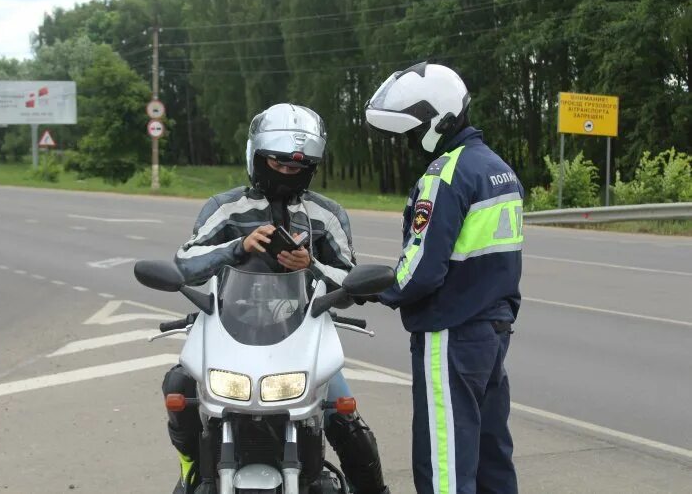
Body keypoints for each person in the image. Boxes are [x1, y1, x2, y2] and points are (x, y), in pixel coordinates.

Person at [163, 103, 390, 494]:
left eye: (297, 167)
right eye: (278, 164)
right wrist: (236, 247)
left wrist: (311, 264)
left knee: (344, 417)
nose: (287, 173)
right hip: (227, 334)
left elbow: (352, 285)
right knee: (179, 388)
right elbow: (185, 263)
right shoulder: (224, 208)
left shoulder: (326, 215)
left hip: (302, 337)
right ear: (256, 157)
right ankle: (192, 466)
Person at [364, 62, 522, 494]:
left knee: (445, 468)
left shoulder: (445, 175)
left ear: (437, 119)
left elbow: (420, 272)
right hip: (493, 333)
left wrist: (370, 288)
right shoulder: (499, 170)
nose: (410, 141)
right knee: (492, 462)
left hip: (450, 335)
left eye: (413, 130)